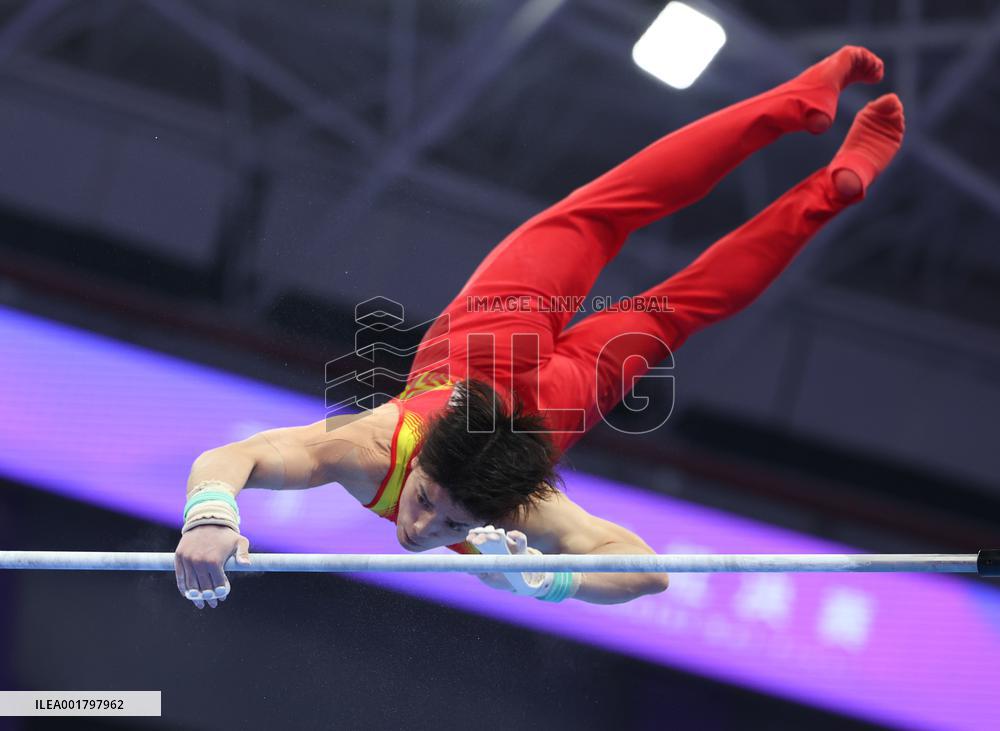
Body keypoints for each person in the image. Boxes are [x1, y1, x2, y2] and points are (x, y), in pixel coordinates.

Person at [175, 46, 904, 609]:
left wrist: (210, 512)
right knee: (626, 233)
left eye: (451, 523)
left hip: (537, 375)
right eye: (431, 502)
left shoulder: (482, 492)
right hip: (509, 346)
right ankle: (802, 132)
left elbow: (233, 458)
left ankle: (810, 144)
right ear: (420, 455)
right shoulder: (389, 454)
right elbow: (645, 572)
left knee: (669, 282)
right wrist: (540, 579)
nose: (425, 528)